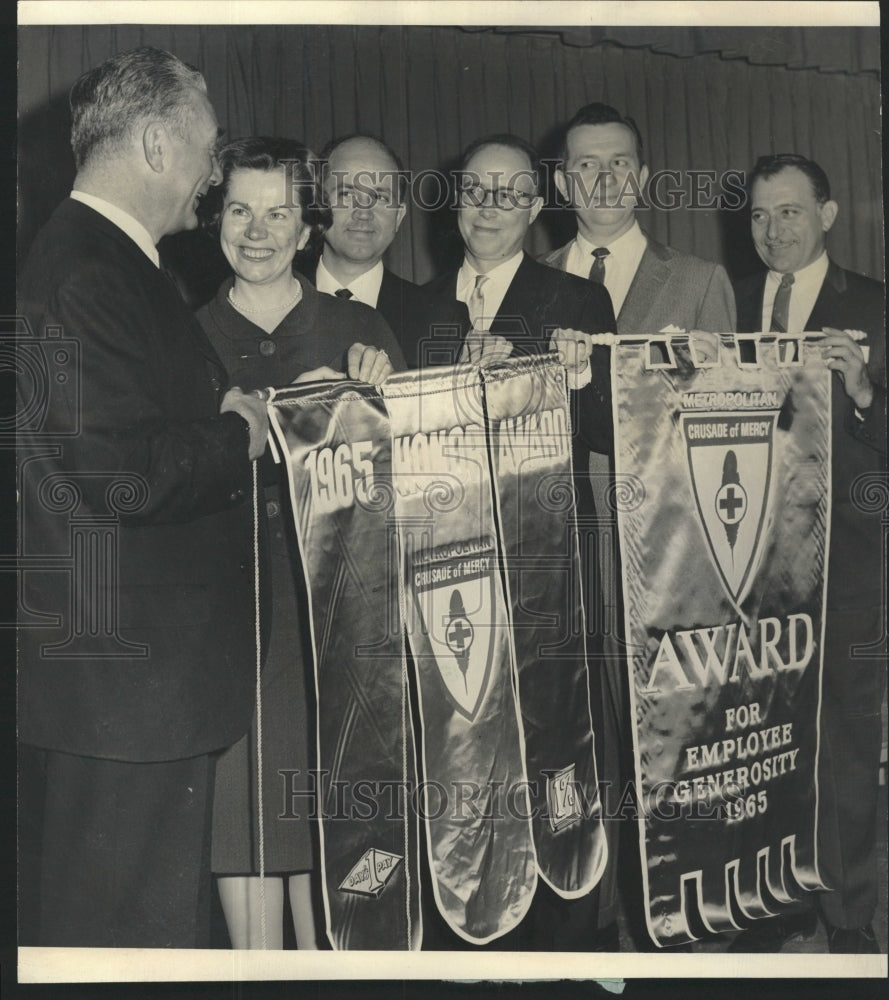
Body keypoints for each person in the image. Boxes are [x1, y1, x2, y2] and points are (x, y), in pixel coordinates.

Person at [16, 46, 268, 948]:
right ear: (157, 142)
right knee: (123, 936)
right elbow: (118, 470)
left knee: (139, 930)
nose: (212, 175)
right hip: (125, 693)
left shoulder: (112, 260)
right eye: (207, 150)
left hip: (133, 691)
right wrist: (239, 432)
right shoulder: (89, 272)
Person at [196, 136, 405, 949]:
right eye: (239, 210)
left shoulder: (357, 328)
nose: (257, 231)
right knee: (244, 816)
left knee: (332, 832)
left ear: (306, 229)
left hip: (338, 621)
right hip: (230, 617)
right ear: (213, 216)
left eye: (277, 212)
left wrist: (383, 398)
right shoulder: (186, 336)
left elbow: (417, 482)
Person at [541, 100, 736, 950]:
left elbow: (732, 421)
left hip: (672, 548)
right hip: (564, 544)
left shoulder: (695, 281)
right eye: (586, 164)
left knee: (675, 740)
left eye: (619, 162)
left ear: (644, 176)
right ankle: (602, 921)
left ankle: (687, 919)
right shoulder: (535, 277)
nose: (604, 178)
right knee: (586, 736)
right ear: (560, 182)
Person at [424, 132, 618, 951]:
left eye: (508, 194)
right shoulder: (414, 306)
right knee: (467, 751)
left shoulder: (575, 304)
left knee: (555, 754)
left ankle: (569, 934)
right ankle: (477, 929)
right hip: (449, 574)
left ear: (537, 209)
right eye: (474, 191)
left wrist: (574, 381)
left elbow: (614, 427)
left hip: (547, 578)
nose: (488, 208)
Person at [731, 153, 886, 954]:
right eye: (758, 215)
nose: (771, 230)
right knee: (763, 743)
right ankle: (777, 899)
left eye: (789, 212)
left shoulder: (876, 307)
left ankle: (851, 915)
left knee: (847, 747)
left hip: (849, 563)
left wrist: (864, 394)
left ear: (826, 214)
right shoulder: (731, 307)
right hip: (749, 567)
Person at [308, 132, 468, 367]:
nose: (363, 212)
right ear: (318, 206)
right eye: (347, 194)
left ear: (399, 216)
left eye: (380, 197)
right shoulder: (272, 302)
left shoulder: (443, 321)